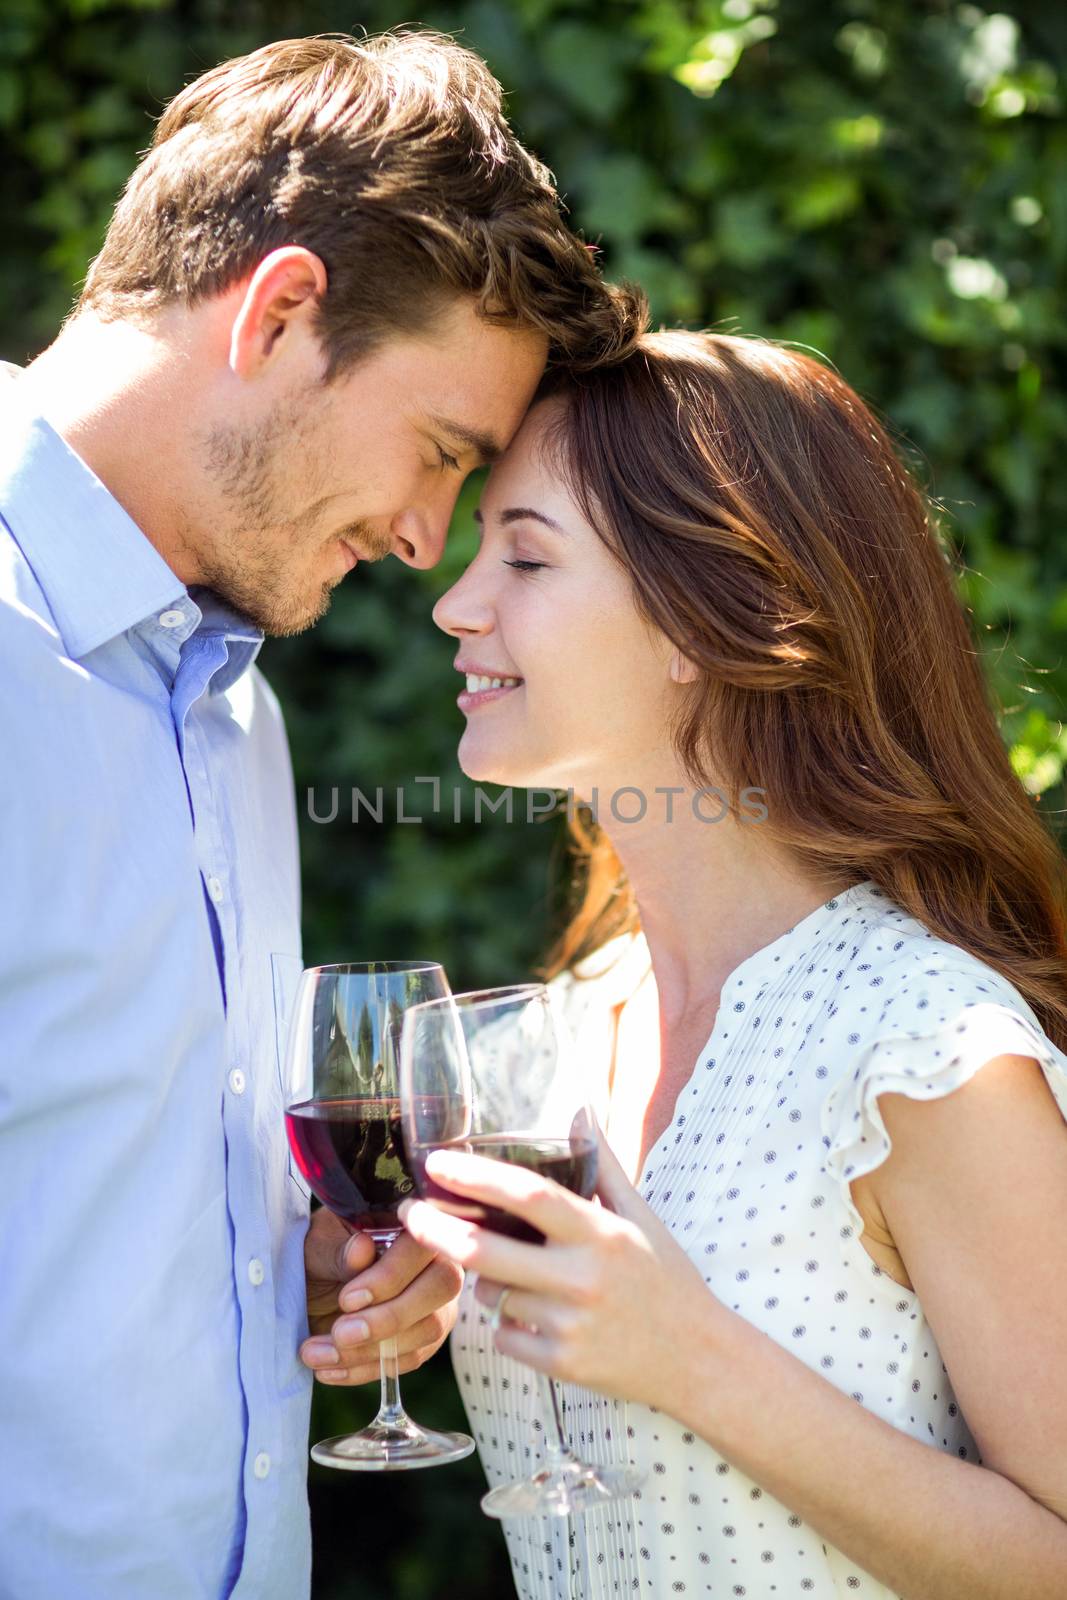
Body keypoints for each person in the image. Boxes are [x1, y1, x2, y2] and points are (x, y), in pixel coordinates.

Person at [0, 31, 644, 1600]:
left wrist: (278, 1269)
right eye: (439, 453)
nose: (430, 540)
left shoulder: (236, 711)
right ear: (281, 311)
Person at [402, 330, 1067, 1598]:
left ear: (703, 621)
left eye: (527, 556)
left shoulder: (922, 1049)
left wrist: (687, 1354)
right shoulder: (533, 1048)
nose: (455, 600)